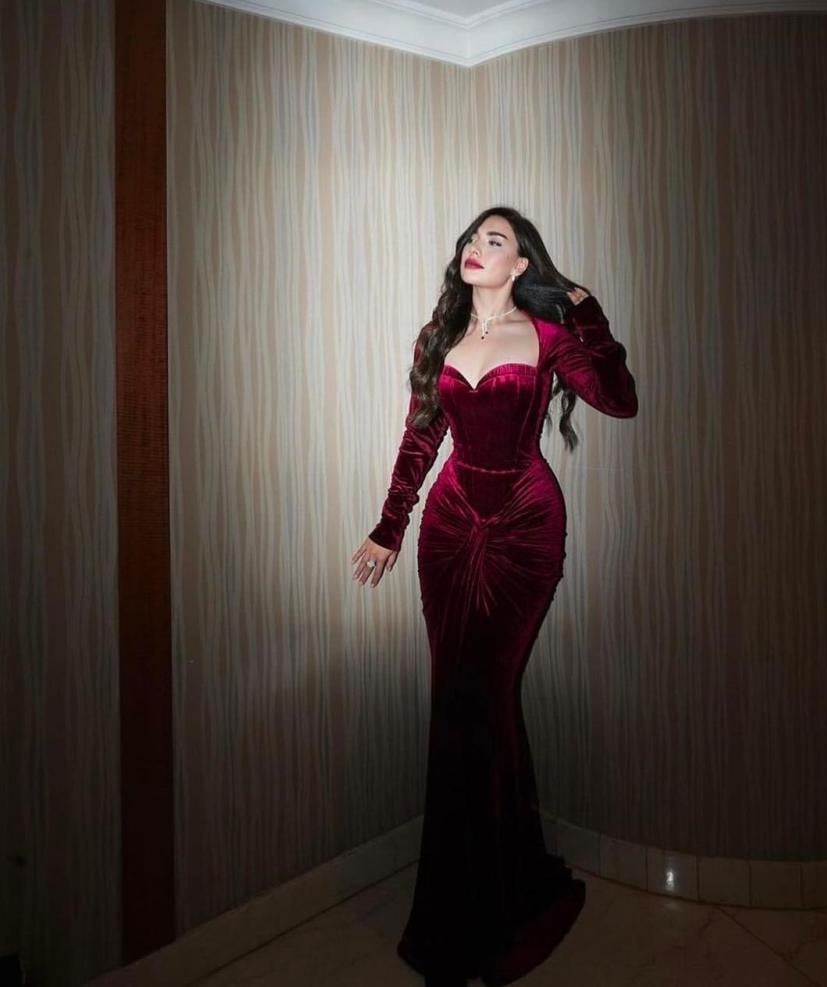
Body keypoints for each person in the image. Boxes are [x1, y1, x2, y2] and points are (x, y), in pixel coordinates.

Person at [351, 206, 638, 986]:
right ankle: (473, 904)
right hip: (448, 531)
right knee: (461, 706)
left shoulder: (548, 337)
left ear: (521, 265)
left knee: (483, 700)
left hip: (523, 530)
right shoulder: (439, 336)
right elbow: (420, 437)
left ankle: (498, 905)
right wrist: (390, 525)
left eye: (495, 240)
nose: (476, 247)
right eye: (473, 239)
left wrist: (587, 312)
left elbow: (619, 399)